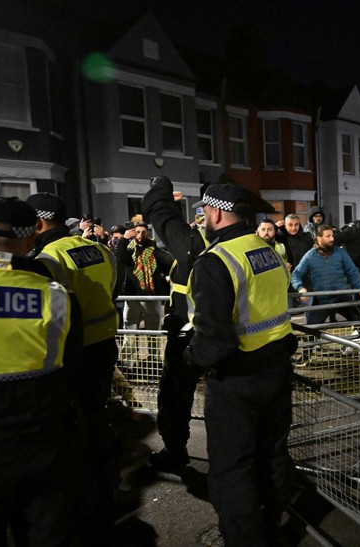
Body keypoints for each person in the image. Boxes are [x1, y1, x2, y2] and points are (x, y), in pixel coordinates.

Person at [183, 183, 299, 544]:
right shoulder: (267, 251)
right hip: (277, 370)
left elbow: (214, 341)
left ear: (215, 213)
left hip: (238, 380)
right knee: (272, 457)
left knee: (232, 471)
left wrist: (186, 362)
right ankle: (272, 529)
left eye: (203, 212)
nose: (203, 219)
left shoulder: (216, 260)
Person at [0, 197, 83, 546]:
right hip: (43, 435)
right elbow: (73, 364)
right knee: (46, 531)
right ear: (31, 241)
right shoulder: (57, 295)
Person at [27, 192, 120, 539]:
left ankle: (86, 497)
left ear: (38, 222)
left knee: (76, 424)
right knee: (98, 414)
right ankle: (108, 485)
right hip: (104, 344)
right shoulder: (100, 249)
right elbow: (111, 287)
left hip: (74, 352)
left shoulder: (48, 258)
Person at [141, 176, 208, 472]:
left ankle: (175, 450)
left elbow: (162, 215)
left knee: (176, 393)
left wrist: (161, 189)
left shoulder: (196, 243)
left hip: (188, 332)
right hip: (215, 333)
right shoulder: (237, 242)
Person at [115, 221, 173, 363]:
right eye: (137, 232)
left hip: (151, 296)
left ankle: (153, 360)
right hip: (132, 296)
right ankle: (128, 362)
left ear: (148, 233)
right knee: (130, 331)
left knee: (153, 331)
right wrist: (123, 239)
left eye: (143, 232)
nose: (140, 235)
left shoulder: (153, 249)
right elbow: (120, 259)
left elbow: (168, 261)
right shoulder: (128, 248)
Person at [291, 224, 360, 324]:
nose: (332, 239)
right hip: (322, 299)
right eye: (328, 236)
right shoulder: (310, 256)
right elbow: (296, 274)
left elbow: (352, 271)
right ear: (319, 238)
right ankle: (311, 339)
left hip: (342, 297)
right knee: (312, 329)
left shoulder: (340, 252)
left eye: (332, 235)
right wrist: (300, 288)